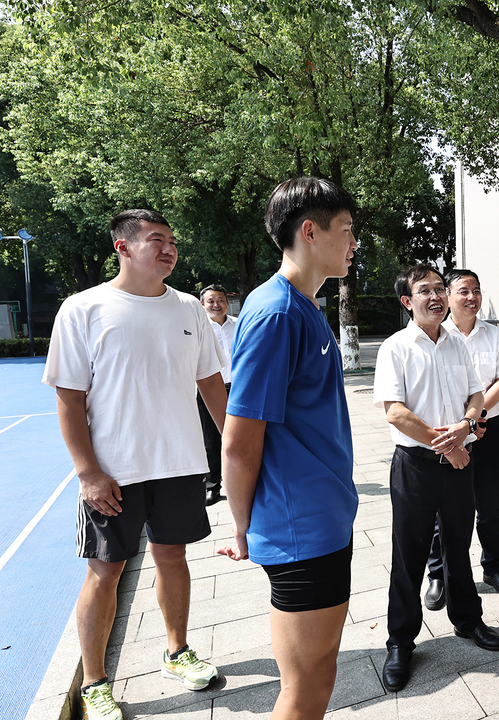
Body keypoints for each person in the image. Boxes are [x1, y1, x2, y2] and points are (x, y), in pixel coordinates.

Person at [44, 209, 226, 720]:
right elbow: (69, 397)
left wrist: (238, 447)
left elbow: (211, 384)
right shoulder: (83, 309)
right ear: (122, 247)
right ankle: (94, 682)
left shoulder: (189, 308)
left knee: (173, 558)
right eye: (155, 240)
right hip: (114, 472)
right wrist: (87, 472)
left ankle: (177, 651)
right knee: (105, 572)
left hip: (179, 464)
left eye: (172, 241)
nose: (169, 249)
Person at [216, 177, 360, 719]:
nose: (354, 243)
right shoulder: (276, 313)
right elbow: (239, 441)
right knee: (304, 689)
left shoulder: (303, 306)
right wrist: (241, 526)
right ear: (309, 232)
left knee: (318, 676)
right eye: (346, 230)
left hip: (322, 517)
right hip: (300, 530)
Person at [373, 265, 499, 693]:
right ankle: (400, 641)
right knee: (409, 554)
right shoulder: (395, 348)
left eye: (438, 289)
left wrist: (467, 424)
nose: (435, 297)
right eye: (424, 291)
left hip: (459, 461)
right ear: (407, 301)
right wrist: (447, 445)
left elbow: (476, 394)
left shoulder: (456, 343)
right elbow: (395, 412)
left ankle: (467, 620)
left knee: (458, 545)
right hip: (416, 465)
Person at [424, 268, 499, 612]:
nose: (471, 297)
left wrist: (476, 417)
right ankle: (439, 574)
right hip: (448, 434)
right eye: (463, 291)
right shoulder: (436, 335)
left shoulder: (493, 334)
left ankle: (493, 567)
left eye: (476, 290)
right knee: (443, 508)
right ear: (448, 296)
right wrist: (462, 426)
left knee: (489, 505)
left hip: (487, 429)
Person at [197, 284, 236, 505]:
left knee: (241, 436)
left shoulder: (239, 325)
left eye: (220, 300)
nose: (216, 305)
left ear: (227, 303)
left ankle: (241, 481)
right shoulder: (198, 329)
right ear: (202, 304)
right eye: (211, 301)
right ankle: (212, 485)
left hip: (238, 388)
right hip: (208, 390)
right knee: (211, 440)